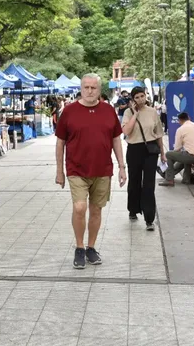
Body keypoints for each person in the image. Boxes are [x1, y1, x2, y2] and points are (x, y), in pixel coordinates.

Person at [55, 74, 125, 270]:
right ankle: (79, 247)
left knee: (96, 210)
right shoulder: (69, 111)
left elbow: (116, 140)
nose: (89, 91)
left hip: (102, 169)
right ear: (81, 88)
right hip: (76, 169)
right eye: (86, 87)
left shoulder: (108, 110)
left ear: (99, 90)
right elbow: (60, 143)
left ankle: (91, 247)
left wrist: (121, 166)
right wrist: (59, 171)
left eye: (93, 88)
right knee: (79, 208)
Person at [121, 86, 166, 232]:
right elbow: (126, 131)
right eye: (137, 97)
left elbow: (158, 133)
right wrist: (134, 113)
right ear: (132, 99)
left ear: (145, 96)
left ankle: (149, 218)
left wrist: (163, 153)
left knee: (148, 184)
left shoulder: (153, 112)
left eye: (142, 96)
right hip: (134, 149)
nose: (140, 99)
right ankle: (133, 209)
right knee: (134, 181)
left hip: (151, 150)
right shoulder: (128, 112)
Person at [161, 113, 194, 186]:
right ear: (189, 118)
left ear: (179, 121)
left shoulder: (180, 129)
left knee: (169, 154)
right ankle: (186, 179)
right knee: (186, 154)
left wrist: (168, 159)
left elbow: (177, 149)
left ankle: (169, 179)